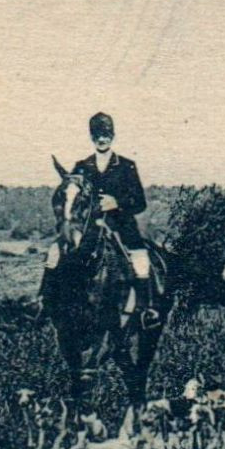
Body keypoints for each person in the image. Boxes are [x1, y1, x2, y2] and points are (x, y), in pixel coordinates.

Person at [41, 111, 160, 328]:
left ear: (112, 136)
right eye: (97, 135)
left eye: (105, 134)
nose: (101, 139)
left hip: (122, 227)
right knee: (55, 251)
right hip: (89, 229)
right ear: (91, 137)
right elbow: (70, 193)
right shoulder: (81, 166)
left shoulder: (126, 165)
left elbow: (140, 202)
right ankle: (43, 302)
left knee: (141, 260)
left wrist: (117, 202)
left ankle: (145, 310)